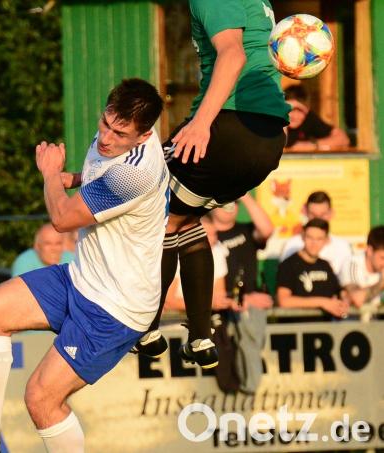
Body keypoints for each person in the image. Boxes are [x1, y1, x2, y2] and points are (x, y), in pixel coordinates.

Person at [0, 79, 165, 453]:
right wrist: (77, 178)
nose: (107, 138)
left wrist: (51, 174)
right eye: (105, 124)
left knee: (41, 400)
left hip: (115, 307)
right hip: (81, 278)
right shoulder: (124, 134)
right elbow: (99, 178)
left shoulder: (135, 172)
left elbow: (62, 219)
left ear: (144, 136)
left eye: (120, 133)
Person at [134, 0, 291, 368]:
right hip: (267, 142)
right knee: (187, 220)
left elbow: (233, 56)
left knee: (153, 212)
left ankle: (145, 326)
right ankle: (201, 337)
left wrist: (202, 123)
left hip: (228, 126)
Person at [211, 194, 275, 310]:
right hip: (216, 305)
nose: (229, 207)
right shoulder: (206, 235)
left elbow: (267, 230)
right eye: (223, 203)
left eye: (234, 203)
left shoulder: (246, 230)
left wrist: (243, 194)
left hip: (249, 305)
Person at [276, 219, 348, 320]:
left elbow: (339, 293)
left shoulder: (325, 265)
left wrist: (344, 301)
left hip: (324, 331)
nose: (314, 243)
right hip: (297, 331)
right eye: (310, 237)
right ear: (302, 237)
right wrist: (322, 302)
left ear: (326, 241)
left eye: (319, 239)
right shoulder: (288, 265)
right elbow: (283, 301)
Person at [279, 191, 352, 275]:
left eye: (322, 215)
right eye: (313, 215)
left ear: (331, 213)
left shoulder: (342, 247)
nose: (318, 219)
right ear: (305, 212)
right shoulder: (292, 245)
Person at [283, 85, 350, 151]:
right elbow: (280, 145)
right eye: (291, 110)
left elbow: (343, 139)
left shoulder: (309, 117)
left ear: (307, 109)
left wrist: (312, 145)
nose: (295, 116)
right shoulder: (275, 117)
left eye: (300, 111)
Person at [340, 225, 384, 321]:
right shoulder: (352, 264)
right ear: (369, 251)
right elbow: (357, 299)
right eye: (382, 258)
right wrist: (381, 283)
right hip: (351, 328)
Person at [11, 223, 76, 276]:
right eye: (48, 244)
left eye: (58, 243)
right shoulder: (24, 262)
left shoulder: (71, 259)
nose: (54, 248)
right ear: (37, 246)